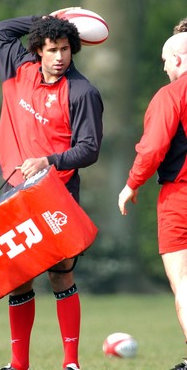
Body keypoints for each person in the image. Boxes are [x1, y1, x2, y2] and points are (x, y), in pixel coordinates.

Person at [0, 8, 104, 370]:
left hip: (58, 194)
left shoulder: (83, 92)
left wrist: (48, 161)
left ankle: (71, 363)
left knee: (60, 272)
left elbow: (89, 149)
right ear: (38, 49)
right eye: (52, 48)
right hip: (14, 192)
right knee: (18, 277)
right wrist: (48, 18)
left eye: (66, 49)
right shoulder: (17, 69)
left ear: (74, 50)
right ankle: (18, 364)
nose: (59, 57)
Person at [118, 31, 187, 370]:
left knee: (184, 281)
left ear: (177, 58)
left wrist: (132, 184)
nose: (164, 69)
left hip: (181, 196)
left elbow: (154, 146)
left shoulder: (172, 94)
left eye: (164, 61)